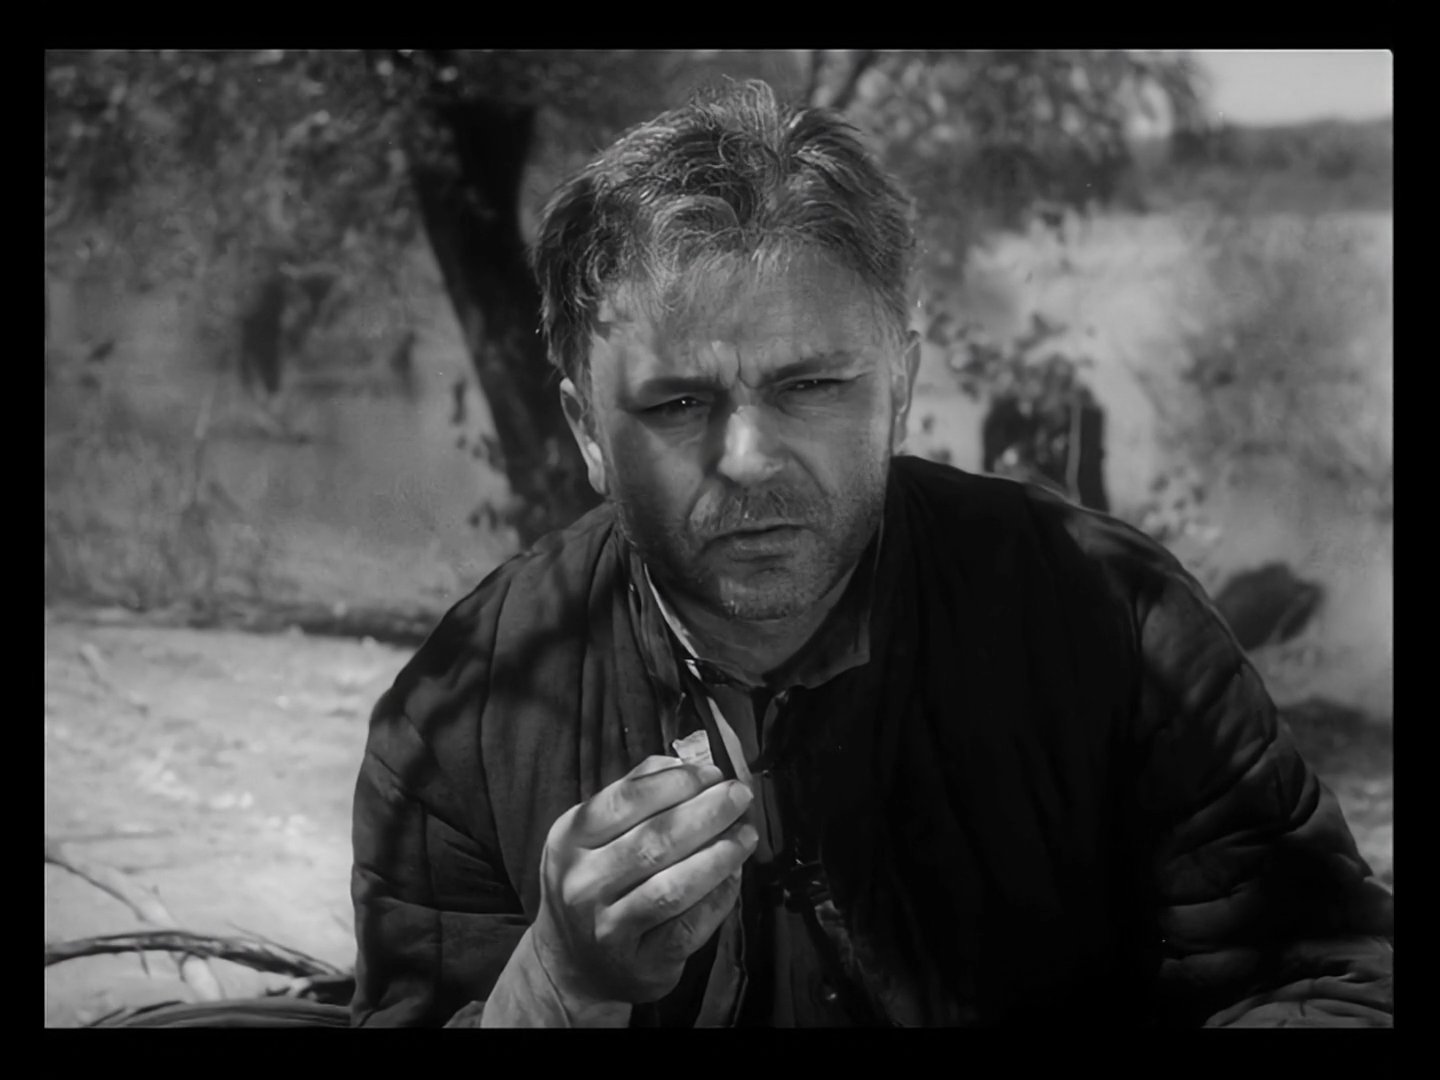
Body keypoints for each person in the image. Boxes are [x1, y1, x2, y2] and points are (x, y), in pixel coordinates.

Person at [348, 81, 1393, 1028]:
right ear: (586, 430)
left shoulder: (1118, 626)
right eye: (676, 404)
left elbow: (1330, 980)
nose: (748, 460)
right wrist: (556, 982)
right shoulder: (463, 713)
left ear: (901, 388)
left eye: (810, 386)